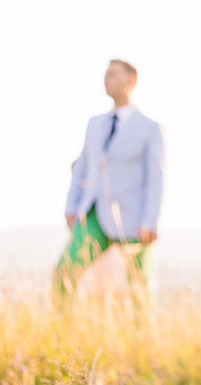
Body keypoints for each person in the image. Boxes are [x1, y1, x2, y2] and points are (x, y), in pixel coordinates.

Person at [54, 59, 166, 310]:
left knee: (140, 286)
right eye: (105, 74)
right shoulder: (94, 123)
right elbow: (81, 167)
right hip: (94, 212)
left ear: (131, 81)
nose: (107, 78)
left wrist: (151, 220)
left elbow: (156, 177)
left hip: (135, 219)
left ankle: (144, 343)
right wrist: (71, 206)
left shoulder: (151, 128)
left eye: (113, 74)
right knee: (64, 270)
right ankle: (63, 335)